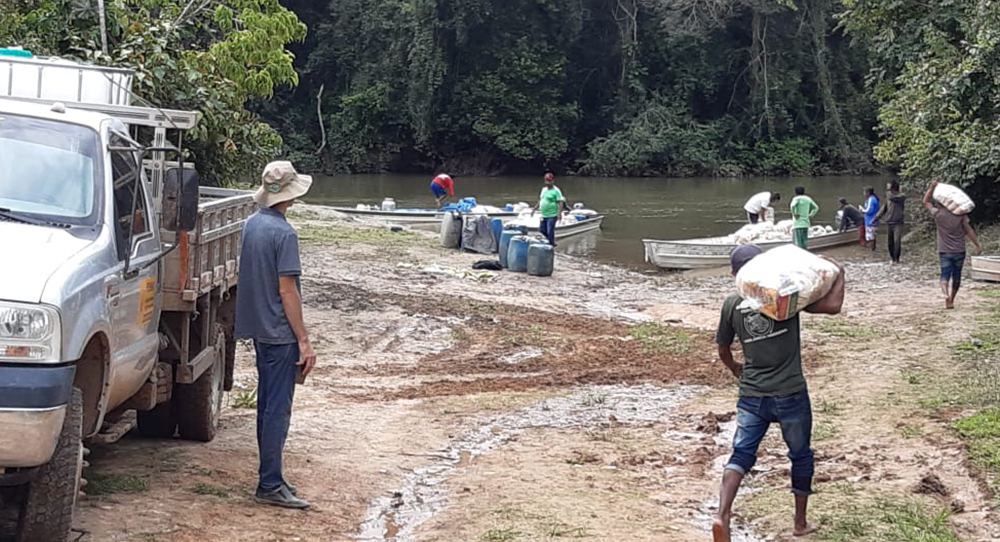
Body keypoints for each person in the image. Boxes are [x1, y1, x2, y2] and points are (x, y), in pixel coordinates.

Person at [713, 244, 845, 542]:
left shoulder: (731, 303)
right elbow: (833, 306)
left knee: (742, 454)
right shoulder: (786, 298)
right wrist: (840, 273)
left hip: (752, 395)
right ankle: (799, 523)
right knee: (800, 455)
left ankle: (722, 515)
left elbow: (722, 347)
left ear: (736, 273)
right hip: (790, 393)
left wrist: (735, 367)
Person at [235, 161, 318, 510]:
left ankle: (271, 477)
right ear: (290, 195)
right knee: (276, 411)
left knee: (267, 406)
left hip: (260, 330)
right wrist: (304, 339)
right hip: (280, 334)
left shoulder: (251, 225)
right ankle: (269, 483)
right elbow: (288, 291)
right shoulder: (285, 234)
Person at [923, 181, 982, 309]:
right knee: (956, 276)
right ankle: (952, 300)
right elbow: (969, 231)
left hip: (944, 251)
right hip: (959, 250)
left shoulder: (938, 214)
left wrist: (931, 187)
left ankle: (945, 294)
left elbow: (926, 202)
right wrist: (977, 245)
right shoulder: (961, 216)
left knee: (944, 275)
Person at [534, 172, 566, 246]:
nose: (547, 182)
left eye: (549, 181)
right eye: (546, 180)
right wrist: (534, 208)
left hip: (552, 214)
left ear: (553, 181)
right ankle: (550, 241)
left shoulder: (556, 190)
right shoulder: (543, 189)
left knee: (550, 231)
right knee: (541, 229)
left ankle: (551, 244)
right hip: (544, 214)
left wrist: (559, 213)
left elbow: (560, 202)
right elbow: (541, 200)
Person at [884, 181, 907, 263]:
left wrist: (888, 192)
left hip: (898, 222)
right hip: (889, 222)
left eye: (889, 188)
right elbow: (884, 208)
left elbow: (892, 198)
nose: (888, 190)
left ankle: (897, 259)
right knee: (890, 242)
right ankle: (892, 258)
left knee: (896, 241)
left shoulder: (901, 196)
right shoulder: (889, 196)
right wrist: (875, 218)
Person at [860, 187, 880, 251]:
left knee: (871, 237)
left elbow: (869, 211)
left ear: (868, 193)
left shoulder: (871, 199)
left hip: (870, 221)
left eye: (864, 192)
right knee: (872, 237)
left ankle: (872, 250)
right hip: (872, 221)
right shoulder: (871, 199)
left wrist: (862, 210)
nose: (863, 194)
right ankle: (873, 249)